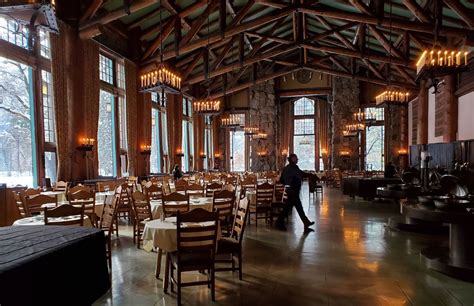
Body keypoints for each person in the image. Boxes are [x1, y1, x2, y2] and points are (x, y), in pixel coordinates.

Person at [276, 153, 315, 231]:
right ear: (292, 159)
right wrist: (310, 175)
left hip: (290, 190)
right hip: (293, 191)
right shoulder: (293, 167)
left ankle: (306, 222)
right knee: (287, 208)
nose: (297, 159)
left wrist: (287, 185)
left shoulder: (286, 167)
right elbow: (301, 174)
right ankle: (279, 223)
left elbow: (281, 179)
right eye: (296, 158)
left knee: (298, 207)